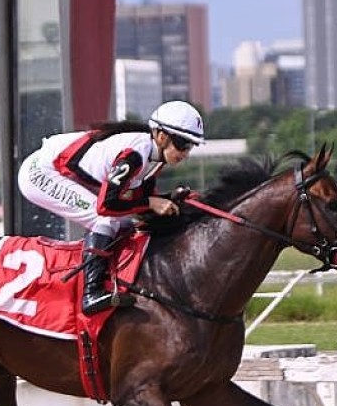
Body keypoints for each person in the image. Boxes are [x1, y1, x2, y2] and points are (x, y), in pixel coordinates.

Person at [18, 100, 204, 315]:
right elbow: (107, 206)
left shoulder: (155, 159)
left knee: (125, 222)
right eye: (182, 144)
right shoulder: (135, 154)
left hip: (64, 173)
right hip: (40, 173)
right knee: (106, 220)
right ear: (162, 137)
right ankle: (91, 292)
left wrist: (171, 199)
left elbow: (140, 203)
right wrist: (152, 203)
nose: (185, 153)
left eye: (190, 146)